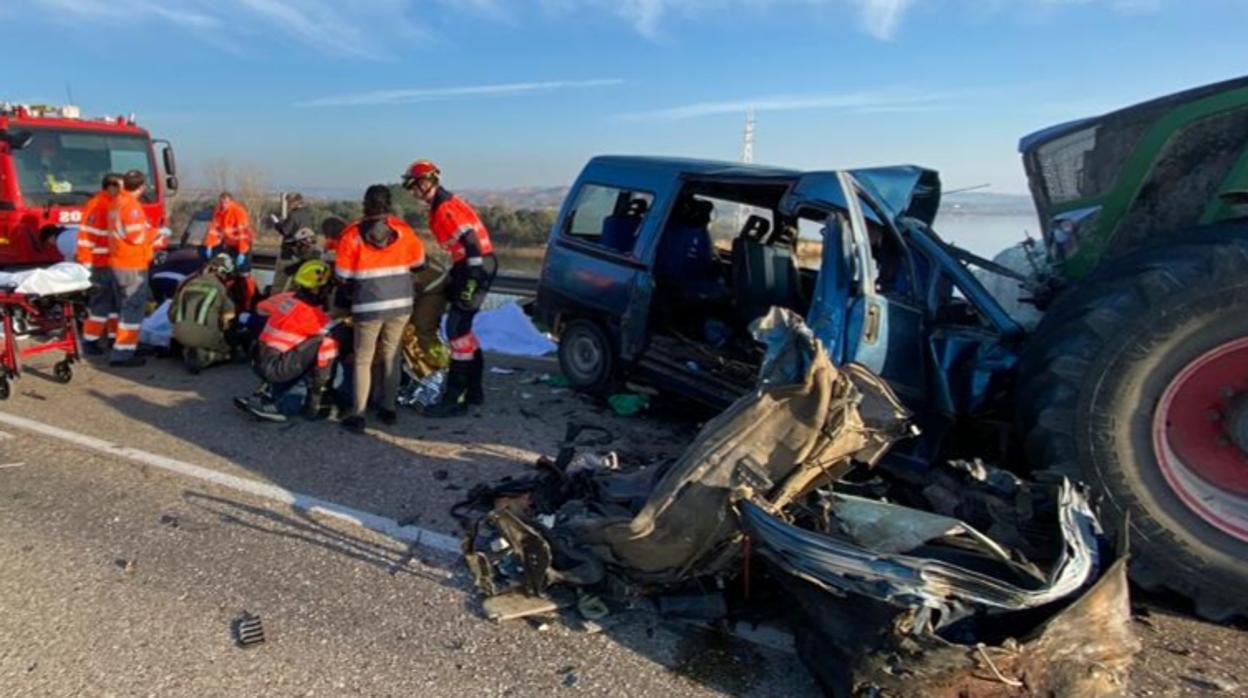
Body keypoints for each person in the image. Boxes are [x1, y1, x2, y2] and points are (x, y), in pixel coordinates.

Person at [402, 160, 497, 417]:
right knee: (462, 329)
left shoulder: (445, 208)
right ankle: (474, 390)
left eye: (413, 187)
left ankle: (456, 398)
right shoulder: (445, 203)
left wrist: (471, 275)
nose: (412, 193)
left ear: (425, 183)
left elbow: (471, 241)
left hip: (474, 267)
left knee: (456, 331)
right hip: (470, 266)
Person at [334, 185, 425, 433]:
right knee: (391, 357)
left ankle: (359, 414)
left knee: (363, 359)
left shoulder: (352, 234)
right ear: (390, 203)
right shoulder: (404, 230)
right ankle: (389, 410)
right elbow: (419, 263)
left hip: (368, 304)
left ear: (365, 204)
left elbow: (342, 274)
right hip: (401, 304)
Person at [236, 260, 340, 422]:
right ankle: (285, 407)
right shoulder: (313, 316)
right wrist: (316, 397)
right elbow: (329, 338)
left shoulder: (288, 302)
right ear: (317, 288)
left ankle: (268, 393)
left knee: (304, 346)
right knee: (325, 344)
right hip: (277, 368)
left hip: (260, 361)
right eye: (328, 287)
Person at [106, 170, 156, 367]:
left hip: (118, 262)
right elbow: (137, 237)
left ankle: (127, 344)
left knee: (123, 308)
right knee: (132, 310)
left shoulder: (116, 202)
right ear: (142, 186)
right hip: (131, 263)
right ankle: (123, 354)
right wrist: (157, 234)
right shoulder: (131, 206)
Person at [170, 254, 237, 373]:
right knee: (227, 352)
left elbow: (171, 313)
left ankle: (185, 348)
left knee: (190, 337)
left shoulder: (187, 282)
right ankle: (204, 356)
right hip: (205, 336)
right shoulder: (220, 287)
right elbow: (229, 316)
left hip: (178, 334)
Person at [79, 173, 123, 354]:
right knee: (100, 303)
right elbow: (86, 236)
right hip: (100, 262)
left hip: (110, 261)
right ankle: (90, 340)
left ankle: (113, 337)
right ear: (110, 187)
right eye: (121, 187)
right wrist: (87, 261)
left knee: (112, 303)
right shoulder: (99, 205)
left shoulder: (108, 204)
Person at [203, 192, 256, 309]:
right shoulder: (218, 211)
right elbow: (214, 230)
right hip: (230, 245)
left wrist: (242, 253)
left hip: (243, 245)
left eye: (226, 202)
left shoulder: (238, 212)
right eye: (221, 202)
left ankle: (248, 303)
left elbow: (244, 235)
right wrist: (209, 245)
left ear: (231, 202)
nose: (223, 204)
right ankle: (231, 301)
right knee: (229, 273)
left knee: (244, 275)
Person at [272, 192, 318, 292]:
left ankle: (273, 302)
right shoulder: (306, 214)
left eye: (289, 202)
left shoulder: (293, 215)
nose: (288, 204)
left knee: (279, 283)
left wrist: (277, 224)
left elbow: (285, 231)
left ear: (294, 202)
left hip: (288, 254)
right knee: (294, 286)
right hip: (301, 254)